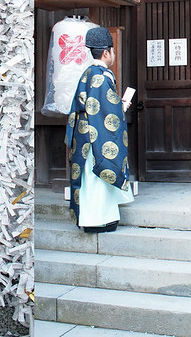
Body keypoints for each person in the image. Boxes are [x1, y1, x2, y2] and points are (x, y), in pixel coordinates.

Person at [64, 26, 133, 233]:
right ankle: (97, 220)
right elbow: (106, 111)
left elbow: (98, 105)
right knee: (97, 177)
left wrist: (116, 106)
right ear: (106, 52)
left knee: (89, 178)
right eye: (112, 51)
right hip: (96, 134)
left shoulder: (89, 73)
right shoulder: (102, 76)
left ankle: (98, 218)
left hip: (84, 132)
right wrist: (121, 107)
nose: (113, 55)